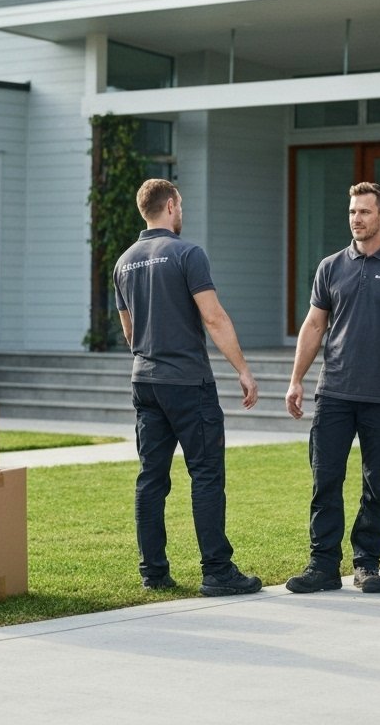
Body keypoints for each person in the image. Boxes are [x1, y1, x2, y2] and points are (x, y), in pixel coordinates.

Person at [284, 181, 380, 595]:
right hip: (333, 392)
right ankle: (322, 565)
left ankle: (367, 564)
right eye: (352, 211)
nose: (356, 219)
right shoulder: (331, 266)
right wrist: (296, 379)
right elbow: (314, 325)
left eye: (364, 212)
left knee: (376, 484)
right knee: (325, 480)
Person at [114, 178, 262, 597]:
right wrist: (244, 370)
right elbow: (214, 318)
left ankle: (153, 572)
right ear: (172, 205)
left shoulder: (124, 262)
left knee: (151, 477)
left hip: (145, 381)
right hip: (187, 382)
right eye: (181, 204)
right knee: (206, 474)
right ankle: (217, 571)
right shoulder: (187, 253)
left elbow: (128, 331)